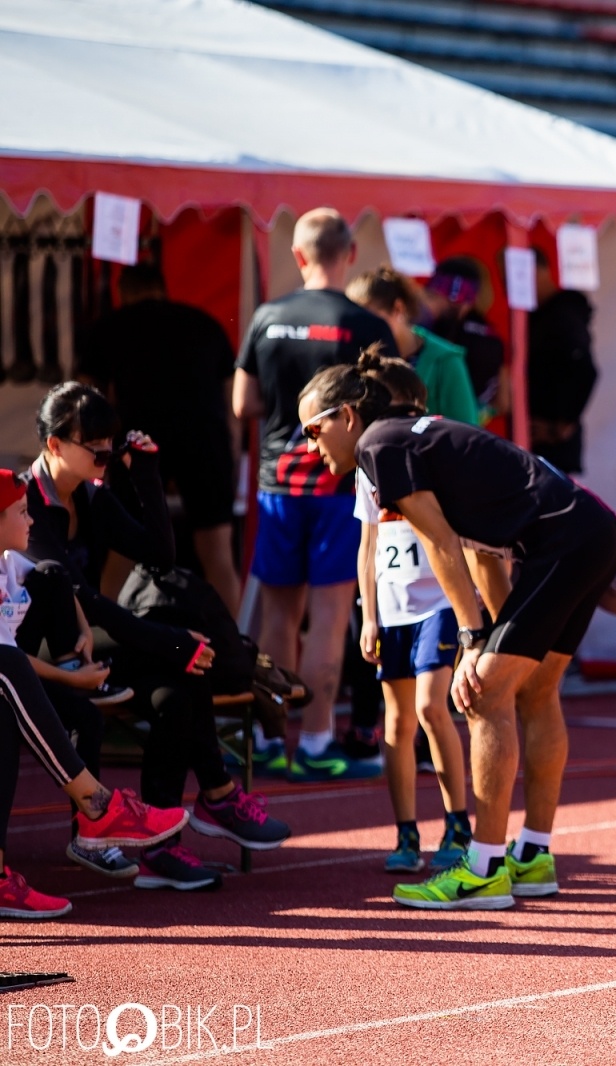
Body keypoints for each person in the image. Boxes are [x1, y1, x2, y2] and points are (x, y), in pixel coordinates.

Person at [299, 353, 616, 910]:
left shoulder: (378, 445)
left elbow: (441, 544)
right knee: (535, 690)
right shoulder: (417, 438)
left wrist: (475, 643)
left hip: (564, 542)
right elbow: (481, 554)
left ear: (347, 416)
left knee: (483, 694)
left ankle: (483, 870)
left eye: (313, 429)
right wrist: (494, 638)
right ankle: (533, 855)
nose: (310, 447)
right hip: (592, 531)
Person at [27, 384, 290, 890]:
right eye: (96, 449)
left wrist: (146, 473)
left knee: (179, 686)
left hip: (88, 643)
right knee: (178, 653)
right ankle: (208, 796)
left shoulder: (88, 492)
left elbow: (160, 556)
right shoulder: (28, 504)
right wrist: (169, 640)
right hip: (34, 654)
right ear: (55, 444)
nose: (107, 456)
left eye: (111, 446)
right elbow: (83, 597)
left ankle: (163, 843)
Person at [233, 208, 394, 782]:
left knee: (279, 615)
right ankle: (319, 740)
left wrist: (286, 411)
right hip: (338, 485)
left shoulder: (267, 316)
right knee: (329, 615)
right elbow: (387, 407)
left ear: (298, 256)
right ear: (349, 254)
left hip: (279, 484)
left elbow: (243, 404)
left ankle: (270, 739)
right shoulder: (364, 322)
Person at [0, 470, 192, 916]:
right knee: (7, 667)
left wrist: (82, 628)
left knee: (14, 719)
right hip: (11, 670)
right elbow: (8, 658)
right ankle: (98, 805)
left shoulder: (9, 563)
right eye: (22, 512)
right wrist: (70, 682)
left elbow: (57, 581)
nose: (32, 520)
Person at [353, 358, 473, 873]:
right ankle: (406, 833)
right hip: (392, 607)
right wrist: (368, 615)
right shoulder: (367, 464)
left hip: (438, 603)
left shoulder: (433, 451)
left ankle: (458, 824)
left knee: (430, 707)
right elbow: (368, 544)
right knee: (397, 722)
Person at [78, 264, 241, 613]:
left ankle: (101, 630)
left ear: (124, 293)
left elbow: (85, 400)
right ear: (162, 289)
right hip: (204, 441)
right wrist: (232, 454)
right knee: (217, 551)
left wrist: (94, 456)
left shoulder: (111, 325)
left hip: (138, 441)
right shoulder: (205, 324)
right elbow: (232, 402)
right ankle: (236, 638)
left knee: (123, 547)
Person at [347, 268, 479, 426]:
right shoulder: (352, 352)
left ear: (398, 309)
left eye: (371, 320)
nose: (363, 328)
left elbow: (467, 429)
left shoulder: (446, 360)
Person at [525, 249, 597, 474]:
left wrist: (559, 425)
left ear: (538, 271)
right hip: (541, 440)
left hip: (553, 446)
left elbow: (585, 370)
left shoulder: (562, 316)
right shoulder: (542, 315)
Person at [419, 257, 507, 430]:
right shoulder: (493, 336)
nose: (427, 304)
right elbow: (503, 402)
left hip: (435, 431)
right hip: (471, 432)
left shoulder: (433, 336)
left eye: (432, 296)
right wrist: (481, 412)